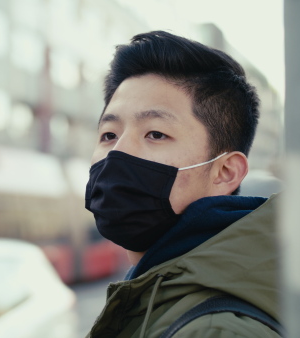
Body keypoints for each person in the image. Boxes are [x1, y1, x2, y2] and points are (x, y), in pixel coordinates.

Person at [84, 31, 281, 337]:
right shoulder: (152, 297)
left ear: (226, 172)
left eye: (156, 134)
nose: (118, 152)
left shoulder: (215, 331)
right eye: (109, 134)